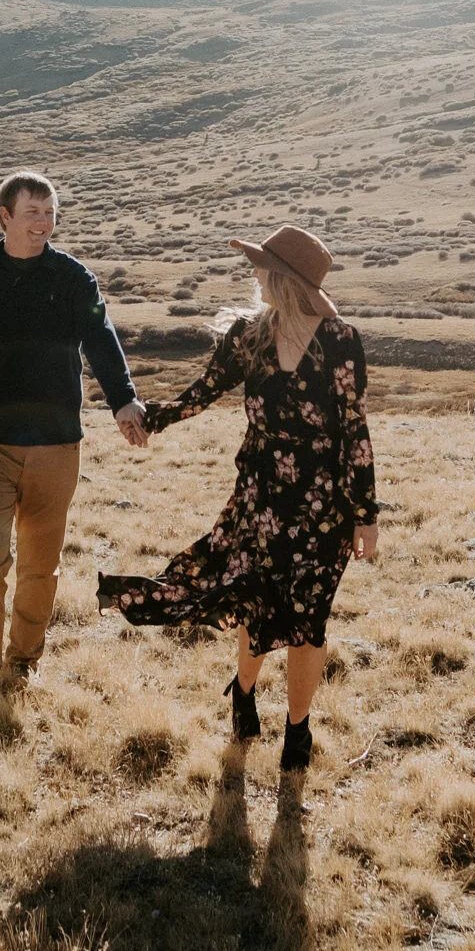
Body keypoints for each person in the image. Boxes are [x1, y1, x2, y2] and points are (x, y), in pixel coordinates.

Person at [96, 225, 378, 772]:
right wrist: (149, 419)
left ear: (283, 278)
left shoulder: (342, 340)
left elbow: (354, 430)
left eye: (260, 265)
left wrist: (365, 516)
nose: (253, 273)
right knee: (256, 599)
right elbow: (202, 393)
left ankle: (298, 732)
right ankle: (244, 692)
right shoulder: (247, 335)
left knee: (308, 618)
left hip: (325, 506)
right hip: (261, 497)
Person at [0, 171, 146, 690]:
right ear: (5, 217)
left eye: (49, 212)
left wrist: (123, 399)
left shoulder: (73, 278)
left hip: (55, 447)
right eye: (32, 213)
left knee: (40, 569)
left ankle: (22, 664)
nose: (43, 223)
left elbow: (101, 338)